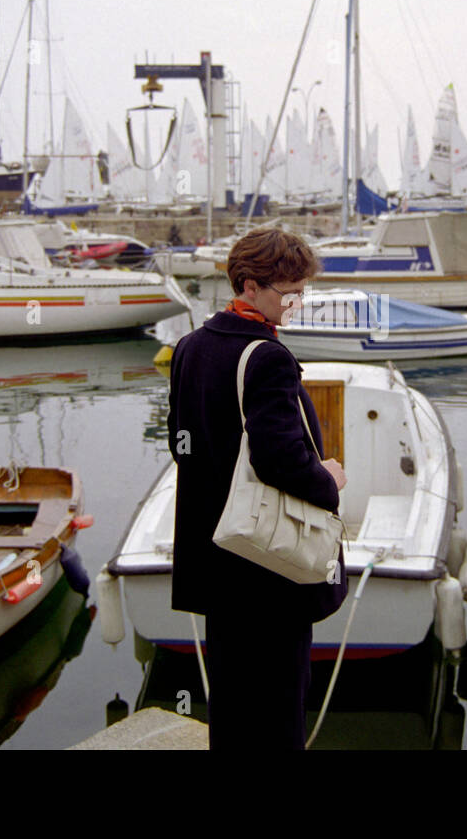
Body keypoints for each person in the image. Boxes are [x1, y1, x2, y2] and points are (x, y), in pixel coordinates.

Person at [166, 227, 348, 749]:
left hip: (217, 554)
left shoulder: (189, 348)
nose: (297, 301)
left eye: (301, 289)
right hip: (266, 563)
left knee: (232, 701)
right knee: (278, 705)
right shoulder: (266, 356)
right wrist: (328, 481)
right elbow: (281, 460)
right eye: (287, 291)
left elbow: (182, 448)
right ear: (249, 285)